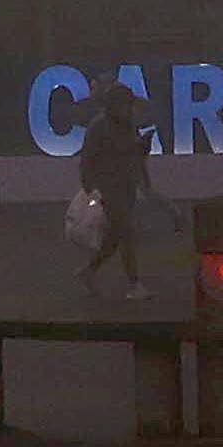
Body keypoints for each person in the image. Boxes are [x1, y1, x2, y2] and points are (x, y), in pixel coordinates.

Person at [79, 81, 155, 301]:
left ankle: (89, 271)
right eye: (125, 105)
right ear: (112, 106)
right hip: (108, 189)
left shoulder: (129, 125)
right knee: (127, 233)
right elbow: (87, 160)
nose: (129, 109)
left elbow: (134, 155)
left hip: (127, 185)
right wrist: (90, 189)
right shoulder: (98, 127)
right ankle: (134, 284)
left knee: (114, 237)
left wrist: (143, 150)